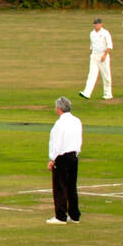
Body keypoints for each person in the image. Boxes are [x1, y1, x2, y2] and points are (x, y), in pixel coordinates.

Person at [47, 96, 83, 224]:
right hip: (74, 155)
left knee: (60, 186)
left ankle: (60, 216)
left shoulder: (60, 123)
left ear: (59, 109)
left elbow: (56, 143)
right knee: (71, 186)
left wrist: (52, 159)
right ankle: (74, 215)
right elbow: (79, 139)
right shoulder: (77, 121)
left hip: (62, 157)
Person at [79, 17, 113, 101]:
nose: (95, 25)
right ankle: (87, 93)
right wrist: (92, 55)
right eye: (94, 23)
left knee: (106, 76)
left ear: (101, 24)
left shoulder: (105, 33)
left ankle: (108, 94)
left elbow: (109, 45)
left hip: (103, 55)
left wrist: (105, 55)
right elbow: (92, 46)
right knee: (92, 74)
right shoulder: (92, 33)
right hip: (94, 55)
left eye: (97, 23)